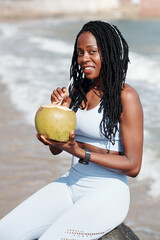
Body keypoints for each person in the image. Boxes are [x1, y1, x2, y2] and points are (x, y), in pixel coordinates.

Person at [0, 20, 143, 240]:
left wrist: (80, 151)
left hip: (107, 193)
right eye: (79, 52)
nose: (84, 58)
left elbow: (133, 166)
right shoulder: (77, 90)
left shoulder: (126, 96)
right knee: (6, 232)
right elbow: (58, 150)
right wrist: (59, 116)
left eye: (92, 51)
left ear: (108, 53)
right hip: (71, 183)